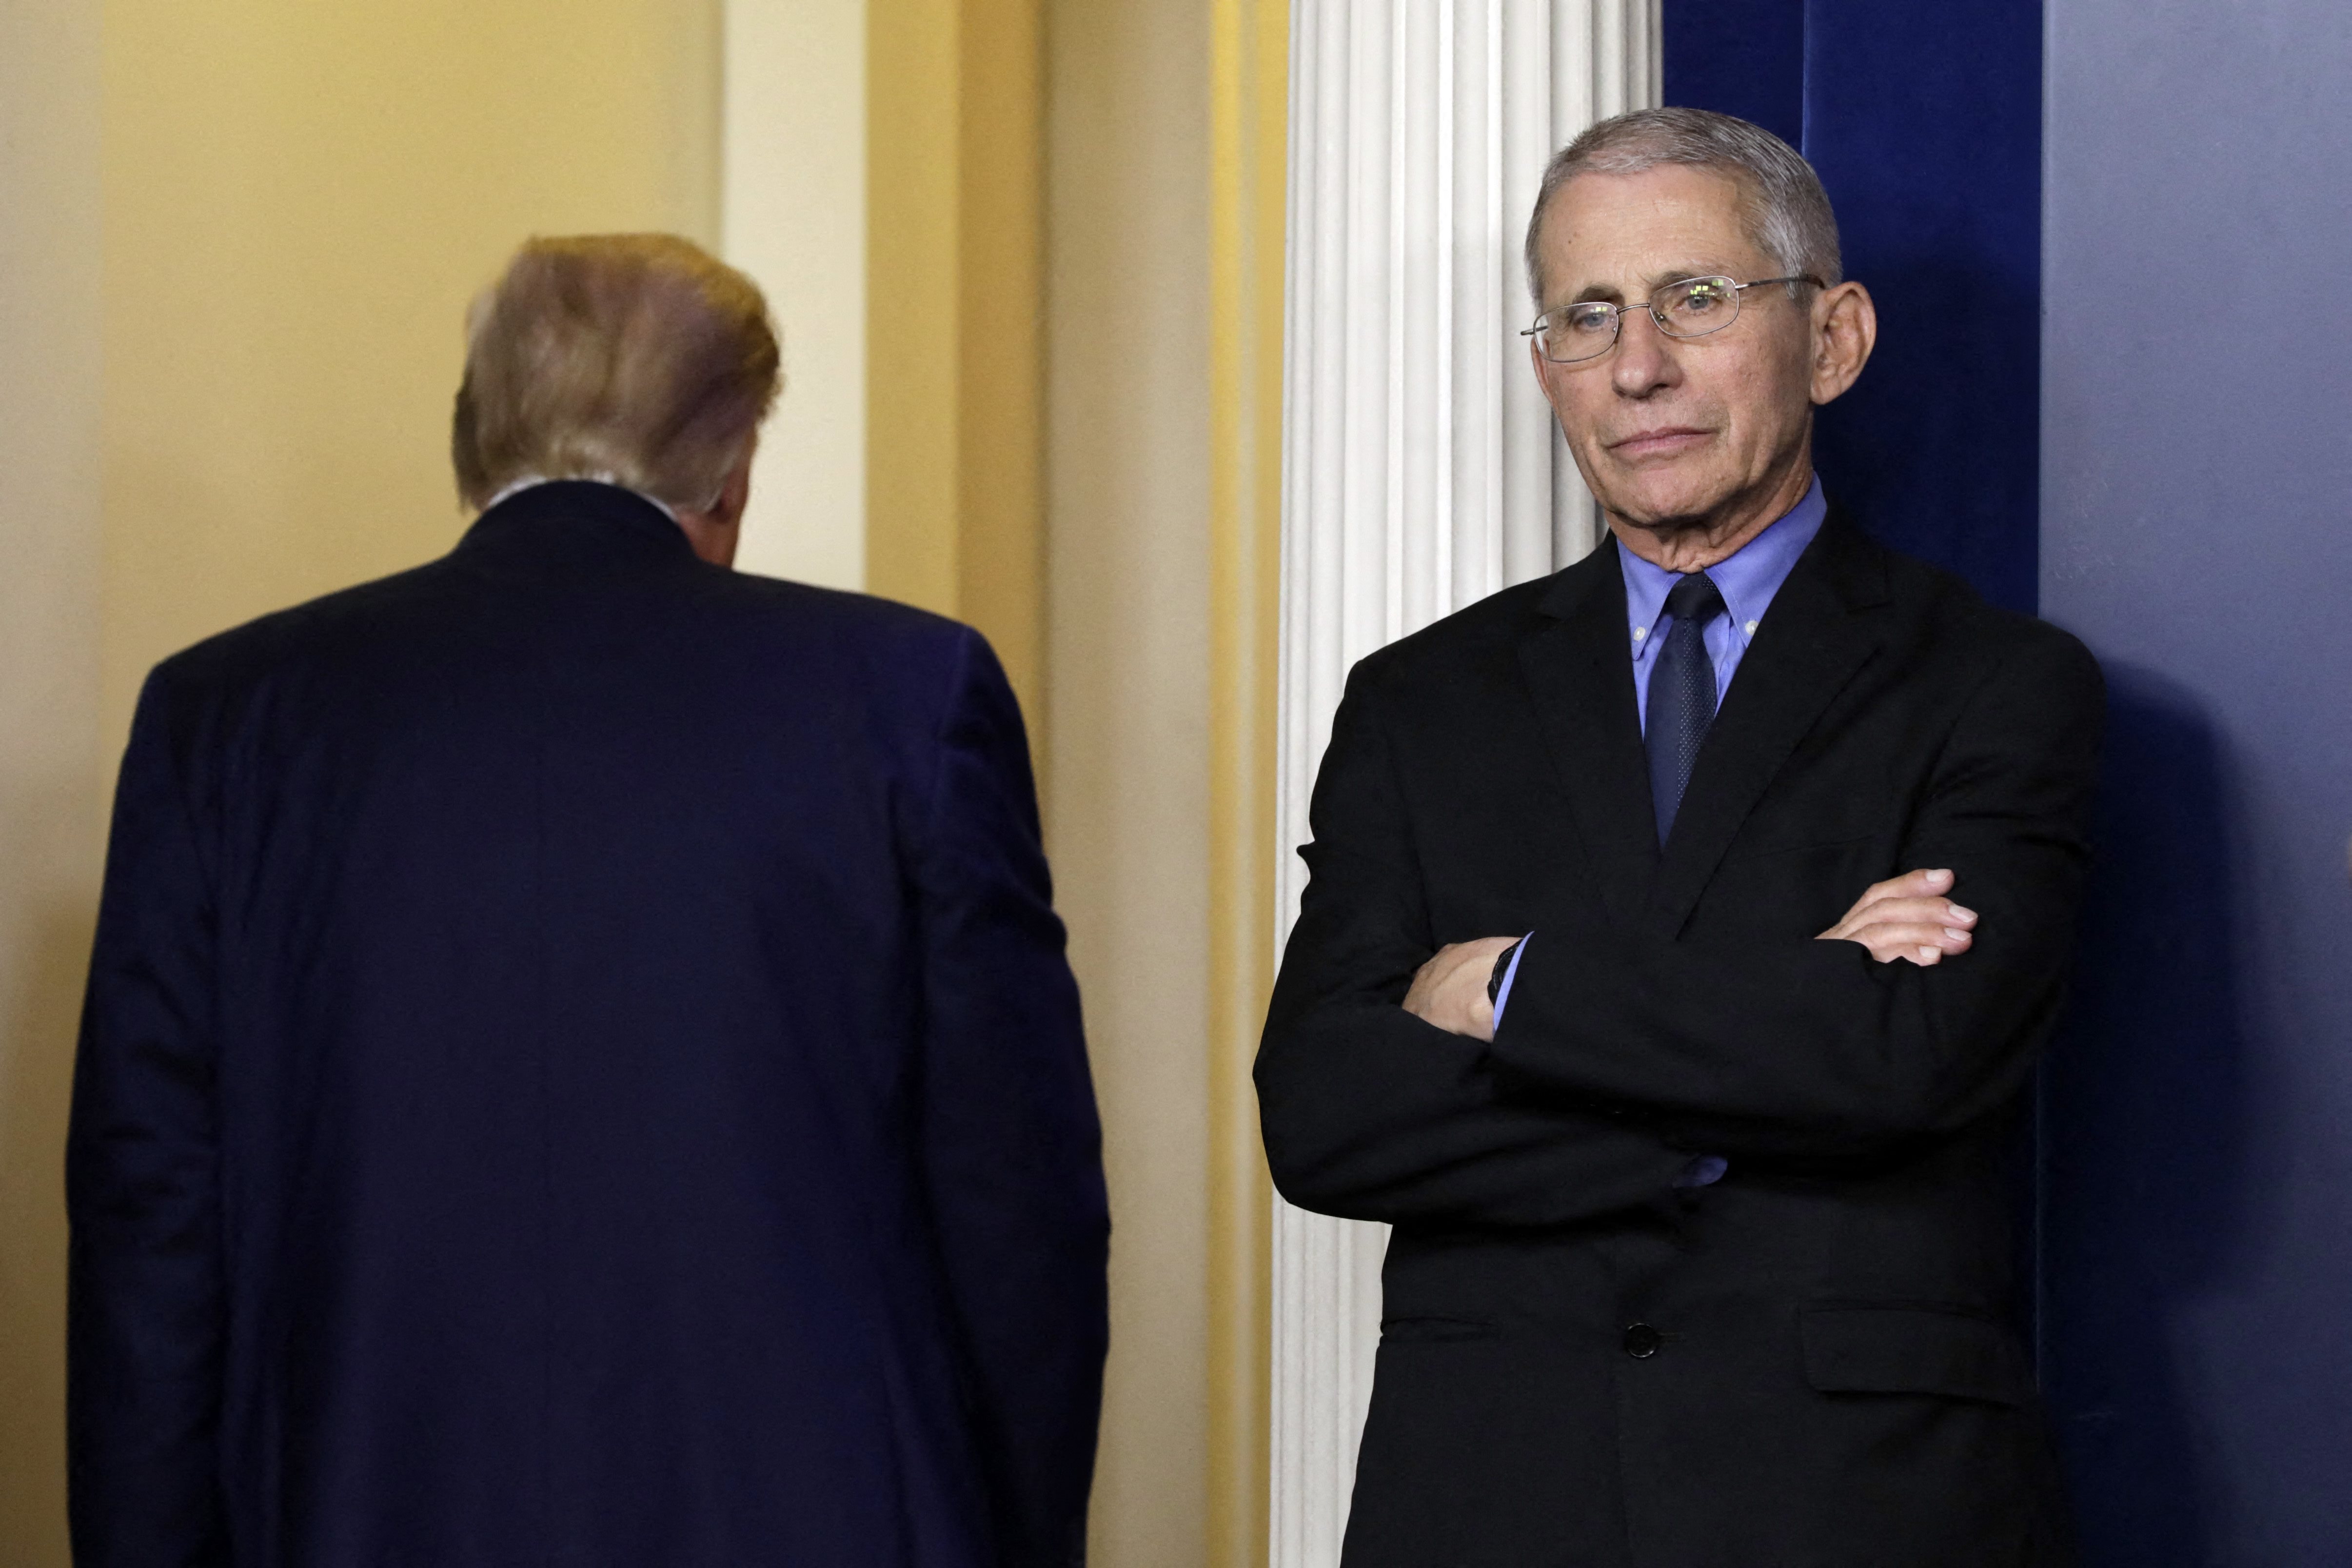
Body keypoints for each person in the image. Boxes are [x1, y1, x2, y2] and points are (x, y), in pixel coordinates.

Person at [67, 234, 1108, 1568]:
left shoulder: (223, 720)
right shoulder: (910, 698)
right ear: (731, 469)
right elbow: (1017, 1208)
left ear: (474, 438)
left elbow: (152, 1226)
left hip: (356, 1510)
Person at [1256, 108, 2100, 1567]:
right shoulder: (1419, 704)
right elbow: (1327, 1115)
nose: (1637, 366)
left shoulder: (1995, 684)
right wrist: (1777, 1032)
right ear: (1547, 368)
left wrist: (1506, 988)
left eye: (1694, 299)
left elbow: (1903, 1058)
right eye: (1588, 316)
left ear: (1832, 339)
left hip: (1859, 1509)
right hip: (1491, 1498)